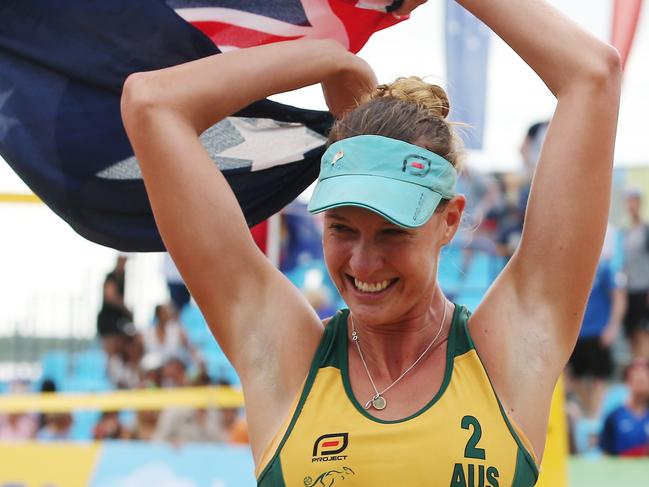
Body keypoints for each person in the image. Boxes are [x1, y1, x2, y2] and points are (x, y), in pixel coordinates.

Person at [120, 0, 621, 484]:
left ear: (449, 220)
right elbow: (150, 104)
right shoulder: (286, 358)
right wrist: (328, 55)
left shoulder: (506, 354)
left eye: (392, 230)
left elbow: (592, 74)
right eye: (341, 227)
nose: (363, 260)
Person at [568, 225, 627, 418]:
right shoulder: (579, 268)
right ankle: (591, 413)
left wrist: (613, 327)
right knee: (572, 376)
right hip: (579, 332)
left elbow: (619, 298)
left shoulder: (606, 268)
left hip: (599, 331)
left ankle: (594, 418)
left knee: (600, 377)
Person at [599, 359, 649, 456]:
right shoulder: (614, 417)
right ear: (628, 381)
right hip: (621, 470)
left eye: (644, 380)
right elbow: (606, 454)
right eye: (638, 380)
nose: (641, 384)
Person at [622, 189, 649, 358]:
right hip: (628, 291)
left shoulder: (645, 230)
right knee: (631, 334)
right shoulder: (626, 233)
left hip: (643, 290)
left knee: (643, 333)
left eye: (634, 201)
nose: (631, 205)